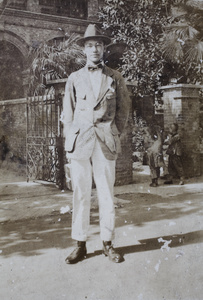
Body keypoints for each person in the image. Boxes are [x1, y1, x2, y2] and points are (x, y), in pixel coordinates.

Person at [62, 24, 130, 264]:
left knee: (106, 193)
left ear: (104, 49)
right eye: (90, 45)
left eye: (98, 45)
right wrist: (69, 141)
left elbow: (123, 112)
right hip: (80, 143)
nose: (94, 49)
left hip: (105, 142)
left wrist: (112, 132)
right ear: (84, 49)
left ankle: (108, 243)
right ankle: (79, 244)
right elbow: (68, 114)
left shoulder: (115, 77)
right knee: (80, 193)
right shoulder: (74, 78)